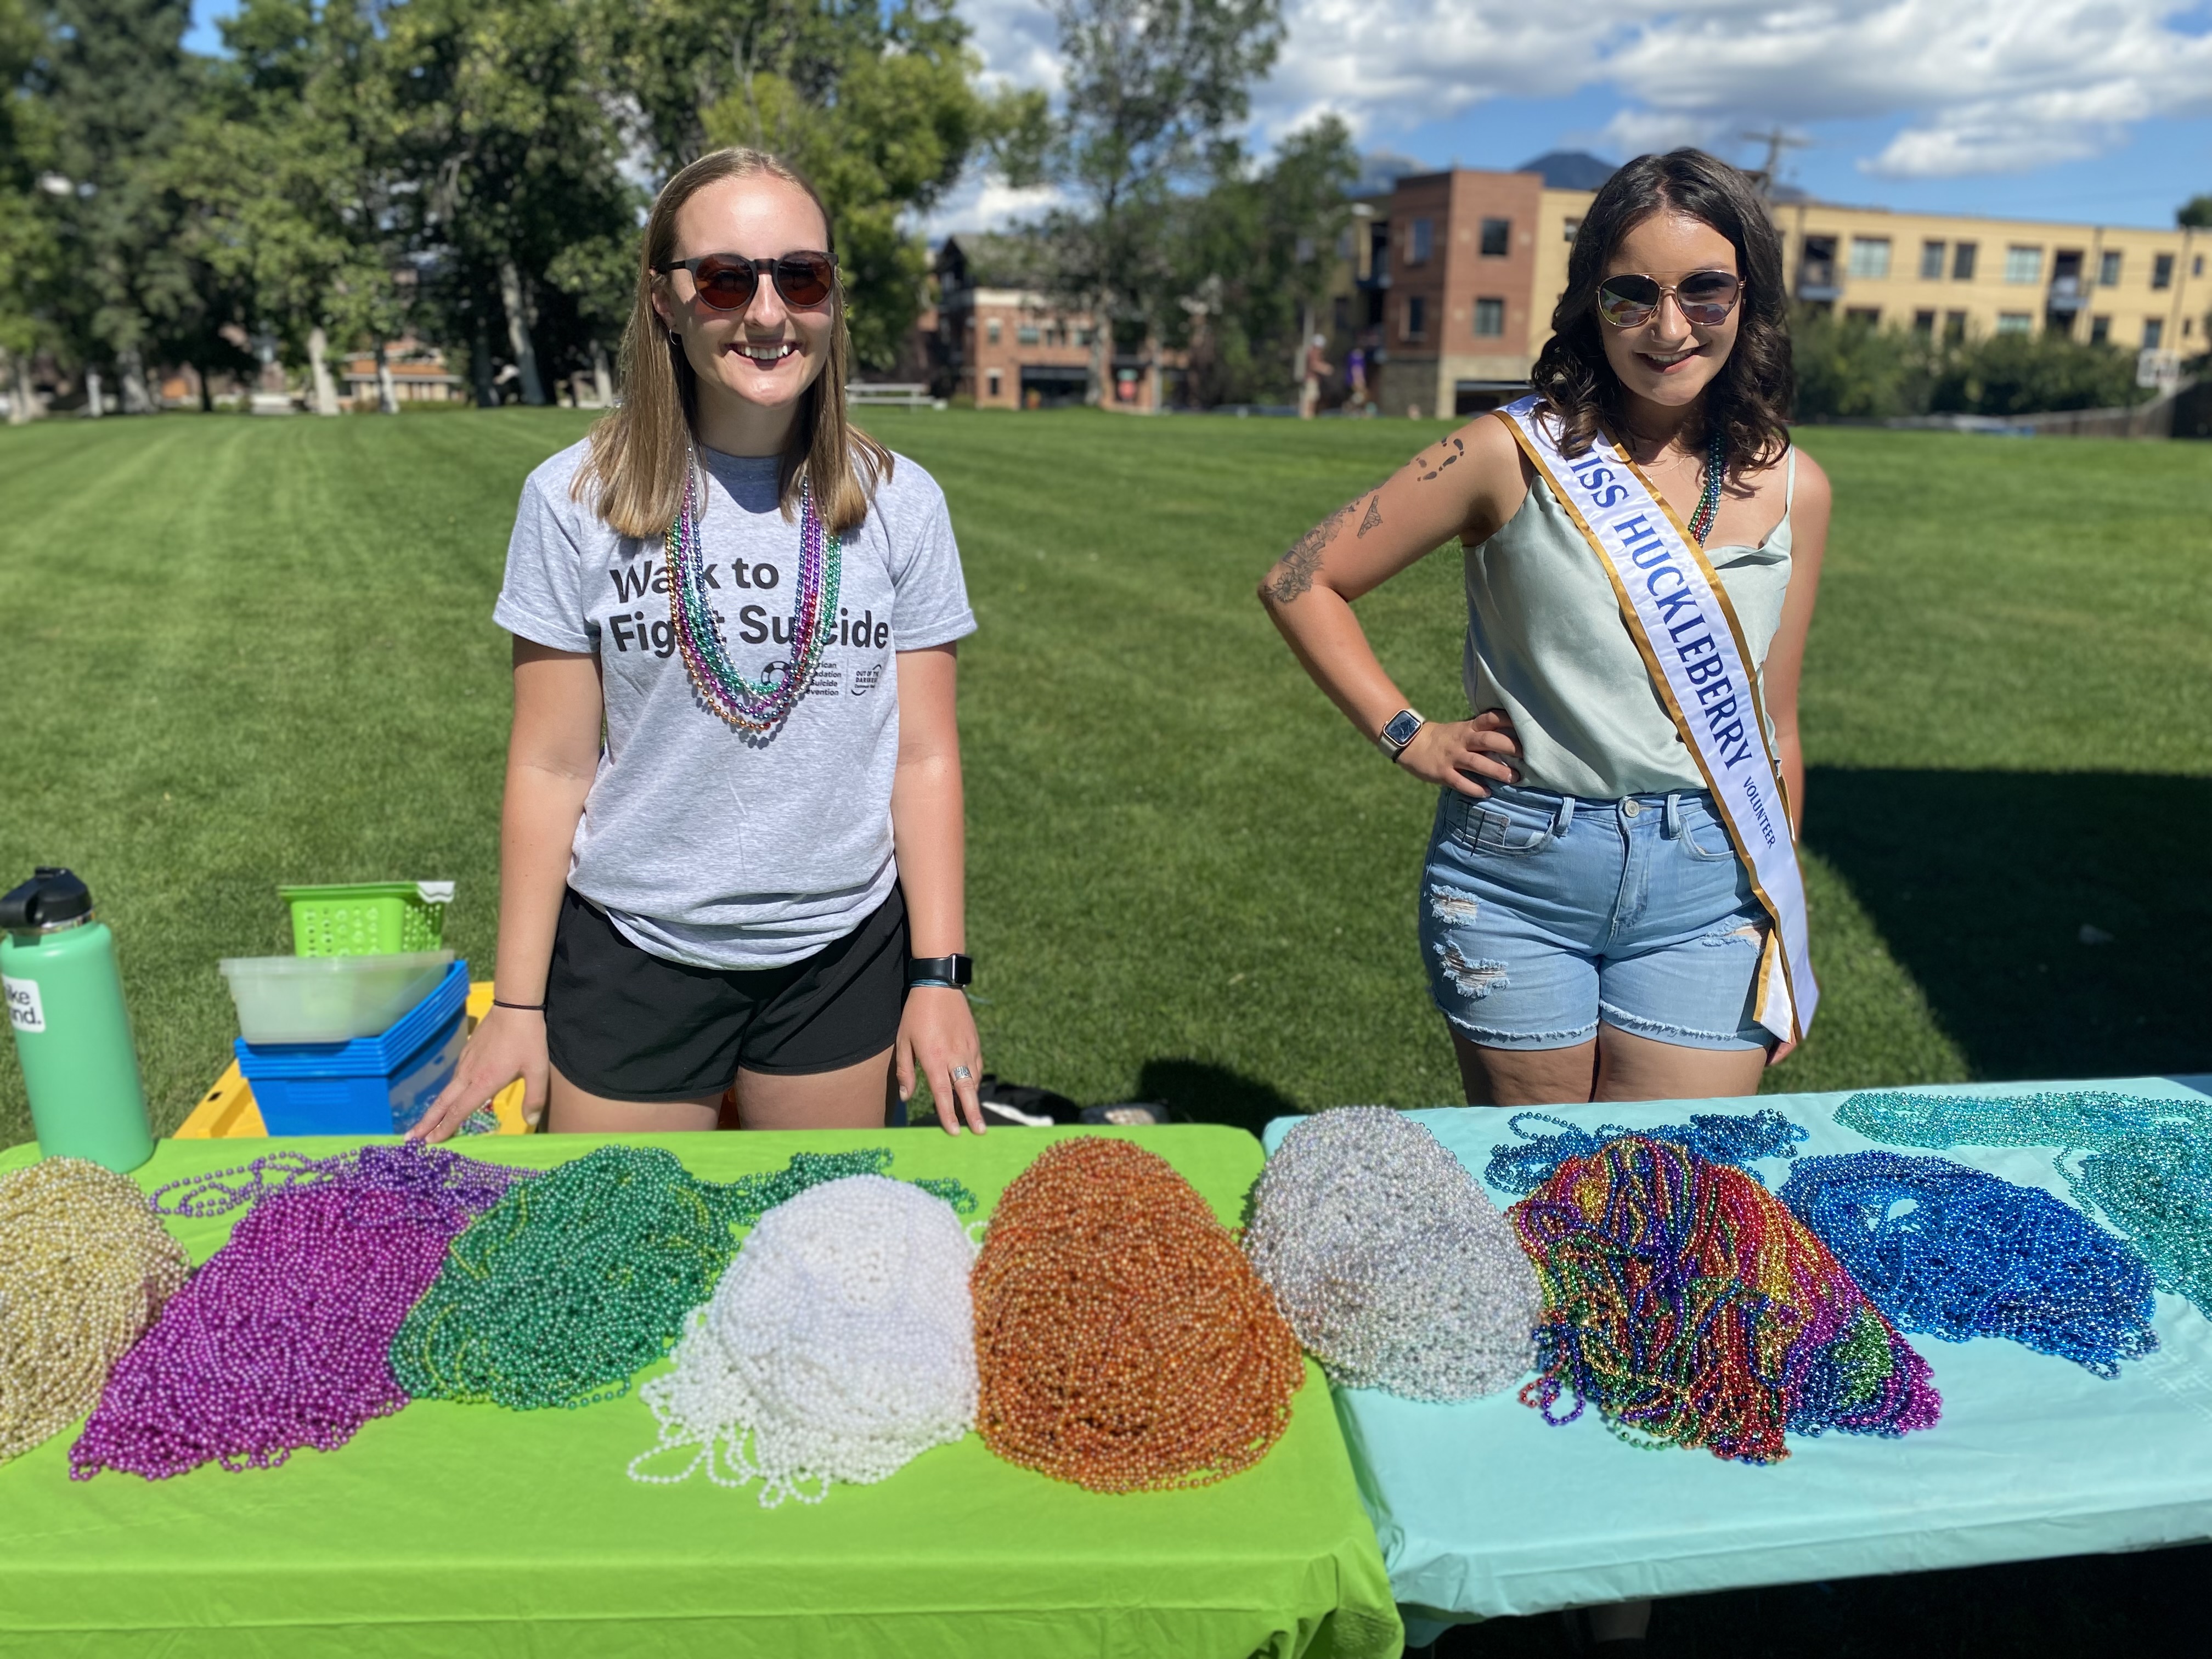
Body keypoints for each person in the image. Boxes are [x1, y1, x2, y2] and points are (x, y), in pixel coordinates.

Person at [411, 147, 986, 1143]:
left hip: (838, 951)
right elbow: (550, 764)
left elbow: (927, 753)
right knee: (617, 1266)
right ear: (665, 303)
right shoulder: (573, 497)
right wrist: (516, 1003)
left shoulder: (900, 501)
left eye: (799, 276)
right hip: (633, 947)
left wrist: (937, 976)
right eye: (726, 277)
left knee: (820, 1251)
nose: (767, 313)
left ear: (831, 298)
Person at [1259, 148, 1830, 1116]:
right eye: (1629, 295)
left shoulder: (1792, 487)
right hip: (1519, 875)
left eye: (1704, 290)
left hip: (1710, 887)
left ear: (1748, 296)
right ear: (1586, 303)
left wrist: (1781, 922)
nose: (1667, 326)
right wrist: (1409, 733)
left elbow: (1775, 724)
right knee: (1544, 1186)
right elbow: (1300, 580)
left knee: (1681, 1190)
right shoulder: (1505, 453)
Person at [1300, 334, 1331, 419]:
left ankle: (1310, 415)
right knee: (1310, 398)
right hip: (1311, 379)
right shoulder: (1313, 352)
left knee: (1313, 397)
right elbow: (1314, 365)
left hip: (1314, 379)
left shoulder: (1313, 352)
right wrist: (1325, 369)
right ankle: (1307, 416)